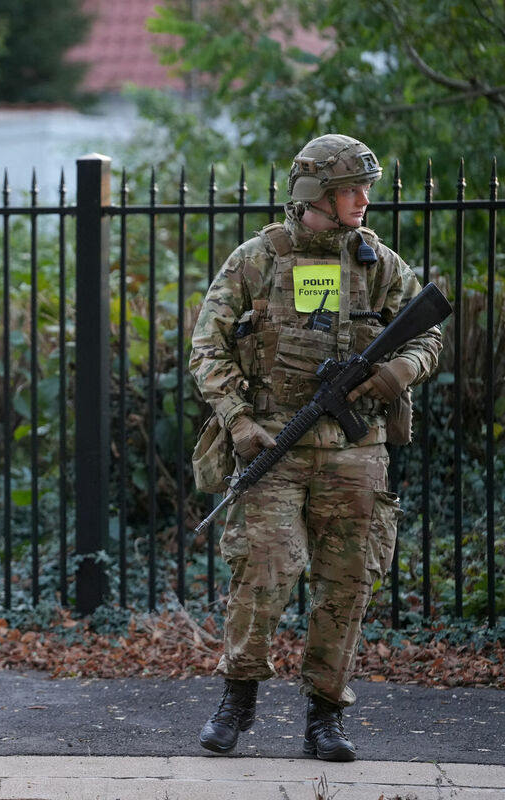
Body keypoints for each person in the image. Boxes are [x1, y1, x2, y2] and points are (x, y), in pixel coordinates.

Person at [189, 134, 442, 761]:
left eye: (364, 189)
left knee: (349, 581)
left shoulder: (377, 263)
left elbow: (427, 333)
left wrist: (394, 375)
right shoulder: (258, 260)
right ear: (315, 196)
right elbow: (207, 348)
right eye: (350, 189)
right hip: (275, 440)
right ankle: (238, 699)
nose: (363, 200)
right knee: (264, 571)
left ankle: (325, 718)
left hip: (356, 453)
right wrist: (240, 422)